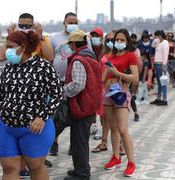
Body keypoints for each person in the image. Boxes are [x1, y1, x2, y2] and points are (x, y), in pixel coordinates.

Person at [0, 30, 63, 180]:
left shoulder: (43, 66)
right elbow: (0, 96)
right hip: (7, 127)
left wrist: (42, 117)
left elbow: (57, 94)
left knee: (35, 167)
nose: (7, 50)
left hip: (34, 129)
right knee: (9, 169)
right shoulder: (8, 68)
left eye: (10, 46)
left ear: (23, 46)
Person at [63, 30, 102, 180]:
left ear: (73, 44)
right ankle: (81, 168)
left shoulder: (79, 59)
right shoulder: (91, 55)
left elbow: (78, 85)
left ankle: (82, 173)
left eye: (69, 44)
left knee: (79, 141)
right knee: (80, 140)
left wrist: (62, 92)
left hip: (82, 105)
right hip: (90, 104)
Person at [103, 29, 138, 177]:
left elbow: (135, 78)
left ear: (127, 41)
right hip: (107, 94)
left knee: (123, 129)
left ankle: (131, 162)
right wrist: (106, 72)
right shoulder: (111, 55)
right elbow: (104, 77)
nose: (118, 42)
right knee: (113, 127)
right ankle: (116, 157)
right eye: (116, 40)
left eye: (121, 40)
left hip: (121, 94)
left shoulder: (130, 56)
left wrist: (118, 74)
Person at [49, 12, 79, 156]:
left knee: (74, 114)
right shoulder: (55, 38)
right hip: (58, 81)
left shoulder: (82, 38)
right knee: (57, 114)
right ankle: (54, 141)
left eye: (75, 22)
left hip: (75, 81)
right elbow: (50, 58)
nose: (72, 25)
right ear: (64, 23)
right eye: (70, 22)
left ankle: (74, 145)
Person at [150, 30, 169, 106]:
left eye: (156, 36)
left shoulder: (165, 43)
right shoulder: (159, 43)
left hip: (161, 64)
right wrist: (156, 40)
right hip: (157, 64)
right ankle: (159, 98)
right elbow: (152, 46)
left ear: (160, 36)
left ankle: (164, 100)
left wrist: (164, 64)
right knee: (159, 82)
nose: (155, 38)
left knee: (163, 82)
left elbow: (165, 54)